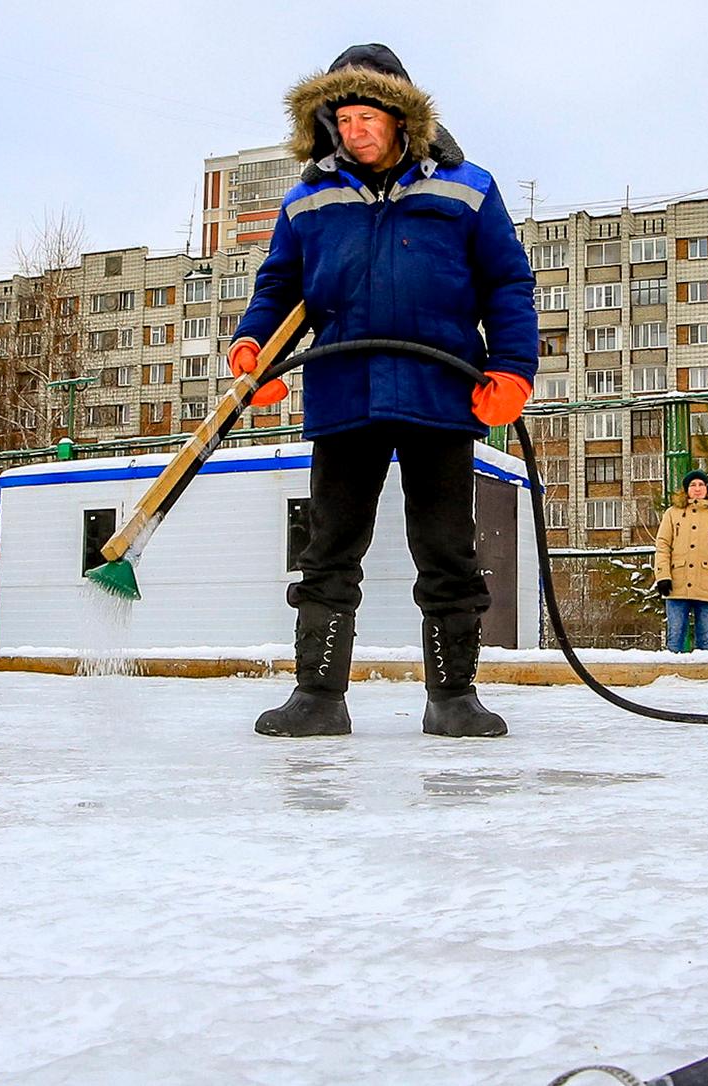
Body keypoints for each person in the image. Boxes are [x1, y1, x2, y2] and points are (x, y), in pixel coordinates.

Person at [230, 45, 537, 740]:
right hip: (345, 390)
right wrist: (255, 347)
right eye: (341, 118)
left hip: (440, 388)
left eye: (367, 115)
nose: (354, 130)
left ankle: (453, 696)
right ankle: (318, 695)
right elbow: (279, 286)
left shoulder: (467, 186)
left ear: (401, 116)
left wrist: (514, 369)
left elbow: (507, 284)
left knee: (447, 546)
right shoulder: (310, 197)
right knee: (329, 547)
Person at [651, 470, 708, 652]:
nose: (697, 489)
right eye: (693, 485)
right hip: (677, 584)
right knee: (675, 637)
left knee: (705, 639)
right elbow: (662, 546)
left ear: (707, 488)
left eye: (701, 484)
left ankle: (704, 677)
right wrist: (662, 576)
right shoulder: (672, 514)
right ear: (686, 490)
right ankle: (672, 677)